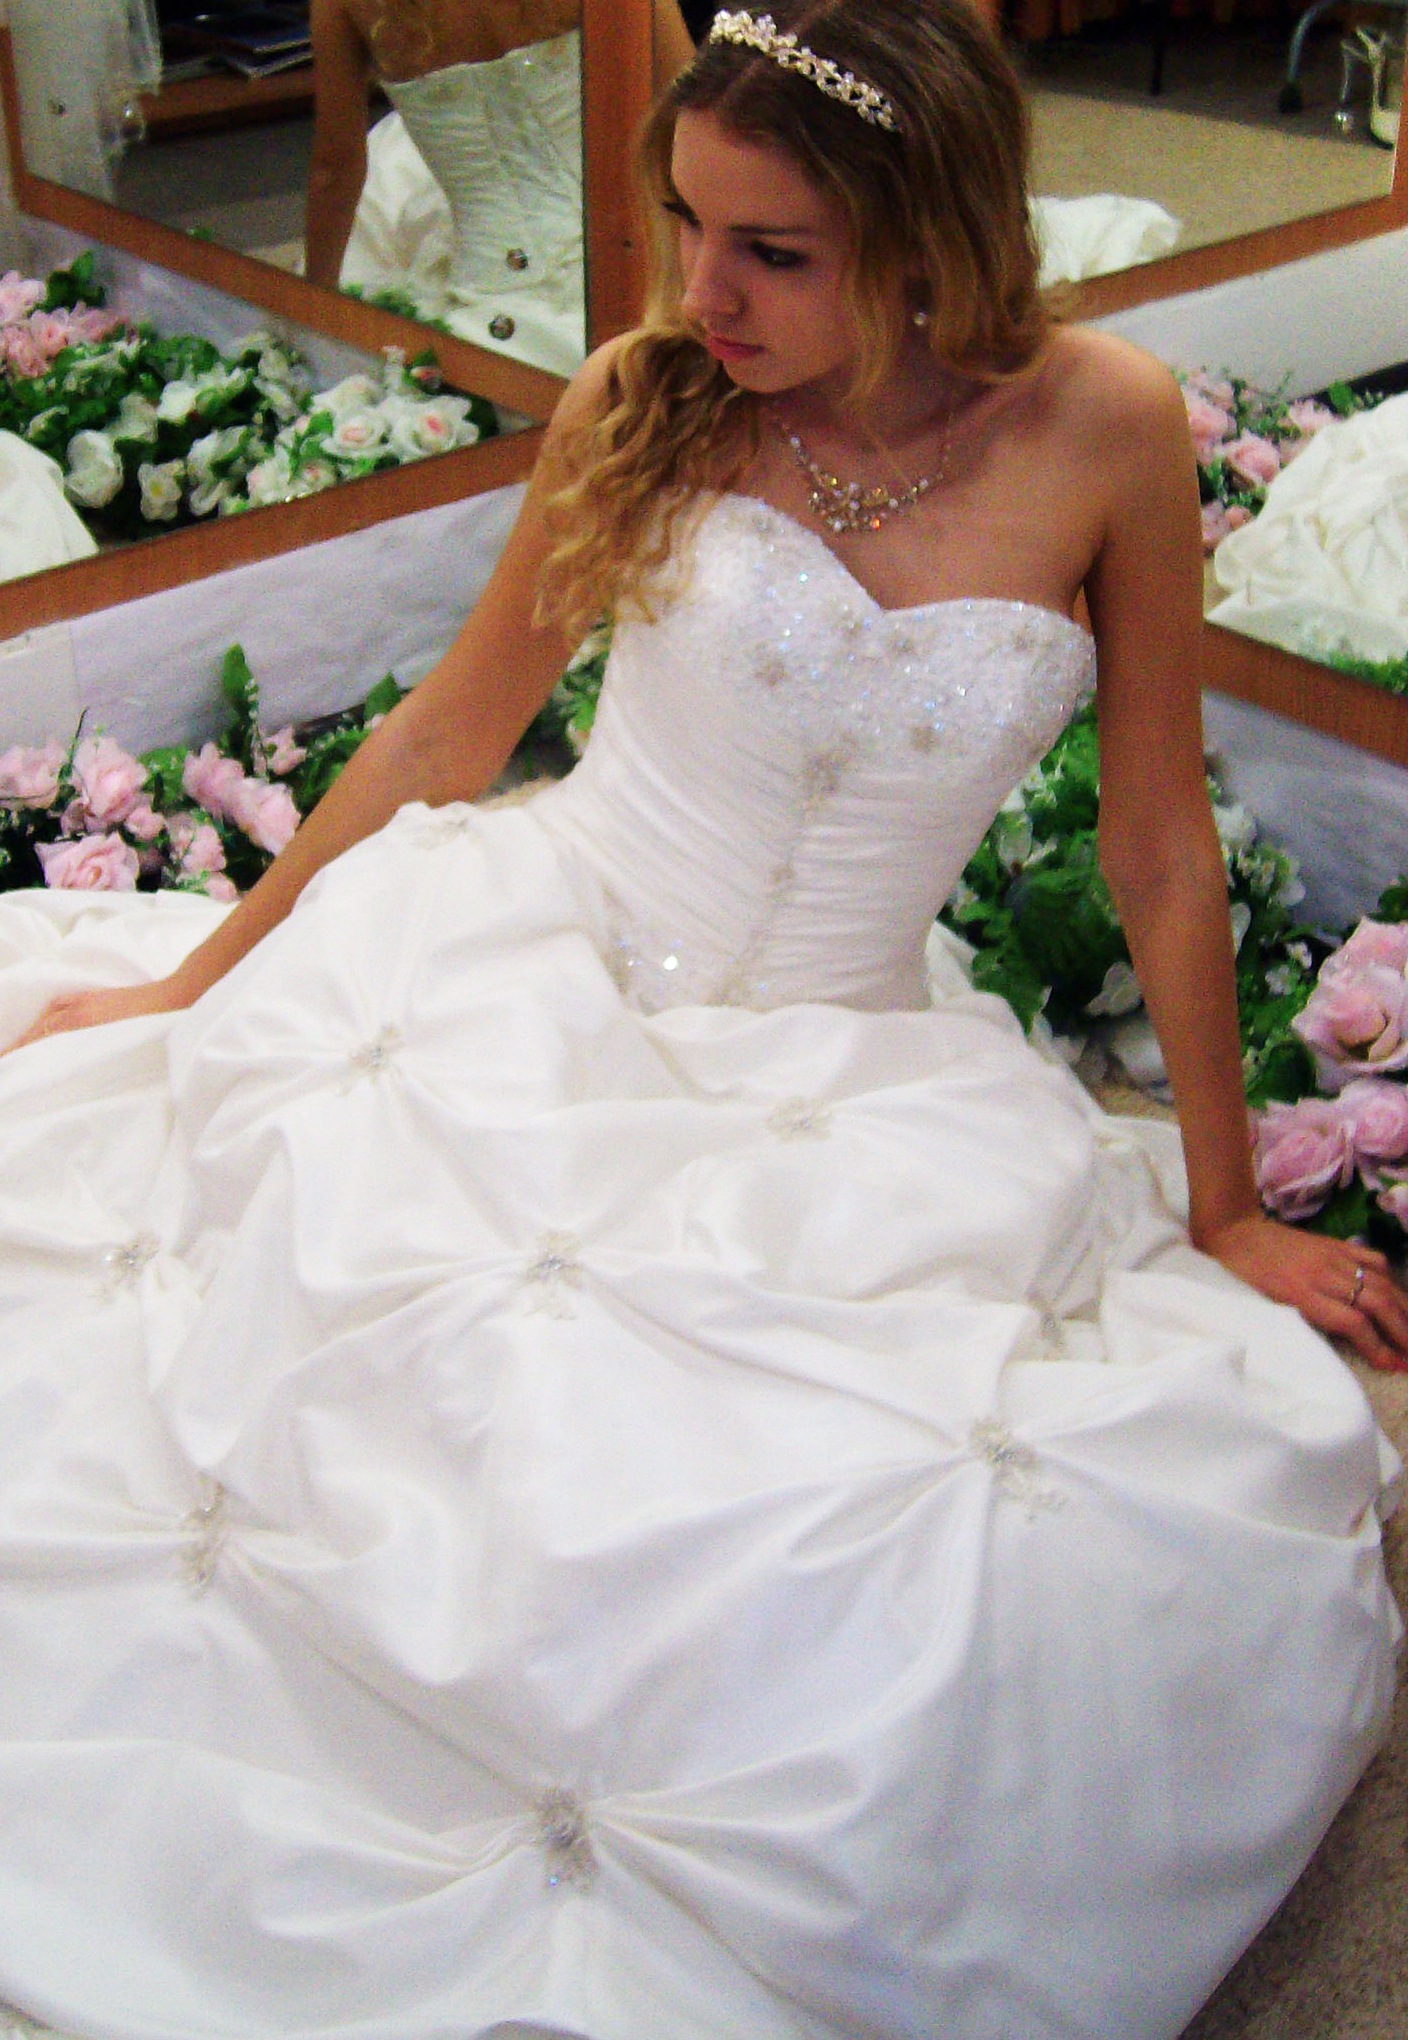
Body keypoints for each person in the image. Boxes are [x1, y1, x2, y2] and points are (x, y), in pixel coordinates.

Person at [0, 5, 1403, 2035]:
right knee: (446, 1418)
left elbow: (1157, 847)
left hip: (854, 1060)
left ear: (923, 240)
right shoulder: (647, 399)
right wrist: (191, 984)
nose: (699, 293)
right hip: (537, 974)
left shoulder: (1105, 428)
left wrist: (1225, 1204)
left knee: (944, 1546)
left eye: (770, 250)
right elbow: (451, 735)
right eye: (683, 224)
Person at [304, 0, 694, 375]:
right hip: (630, 259)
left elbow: (334, 171)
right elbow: (687, 107)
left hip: (489, 283)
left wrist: (312, 314)